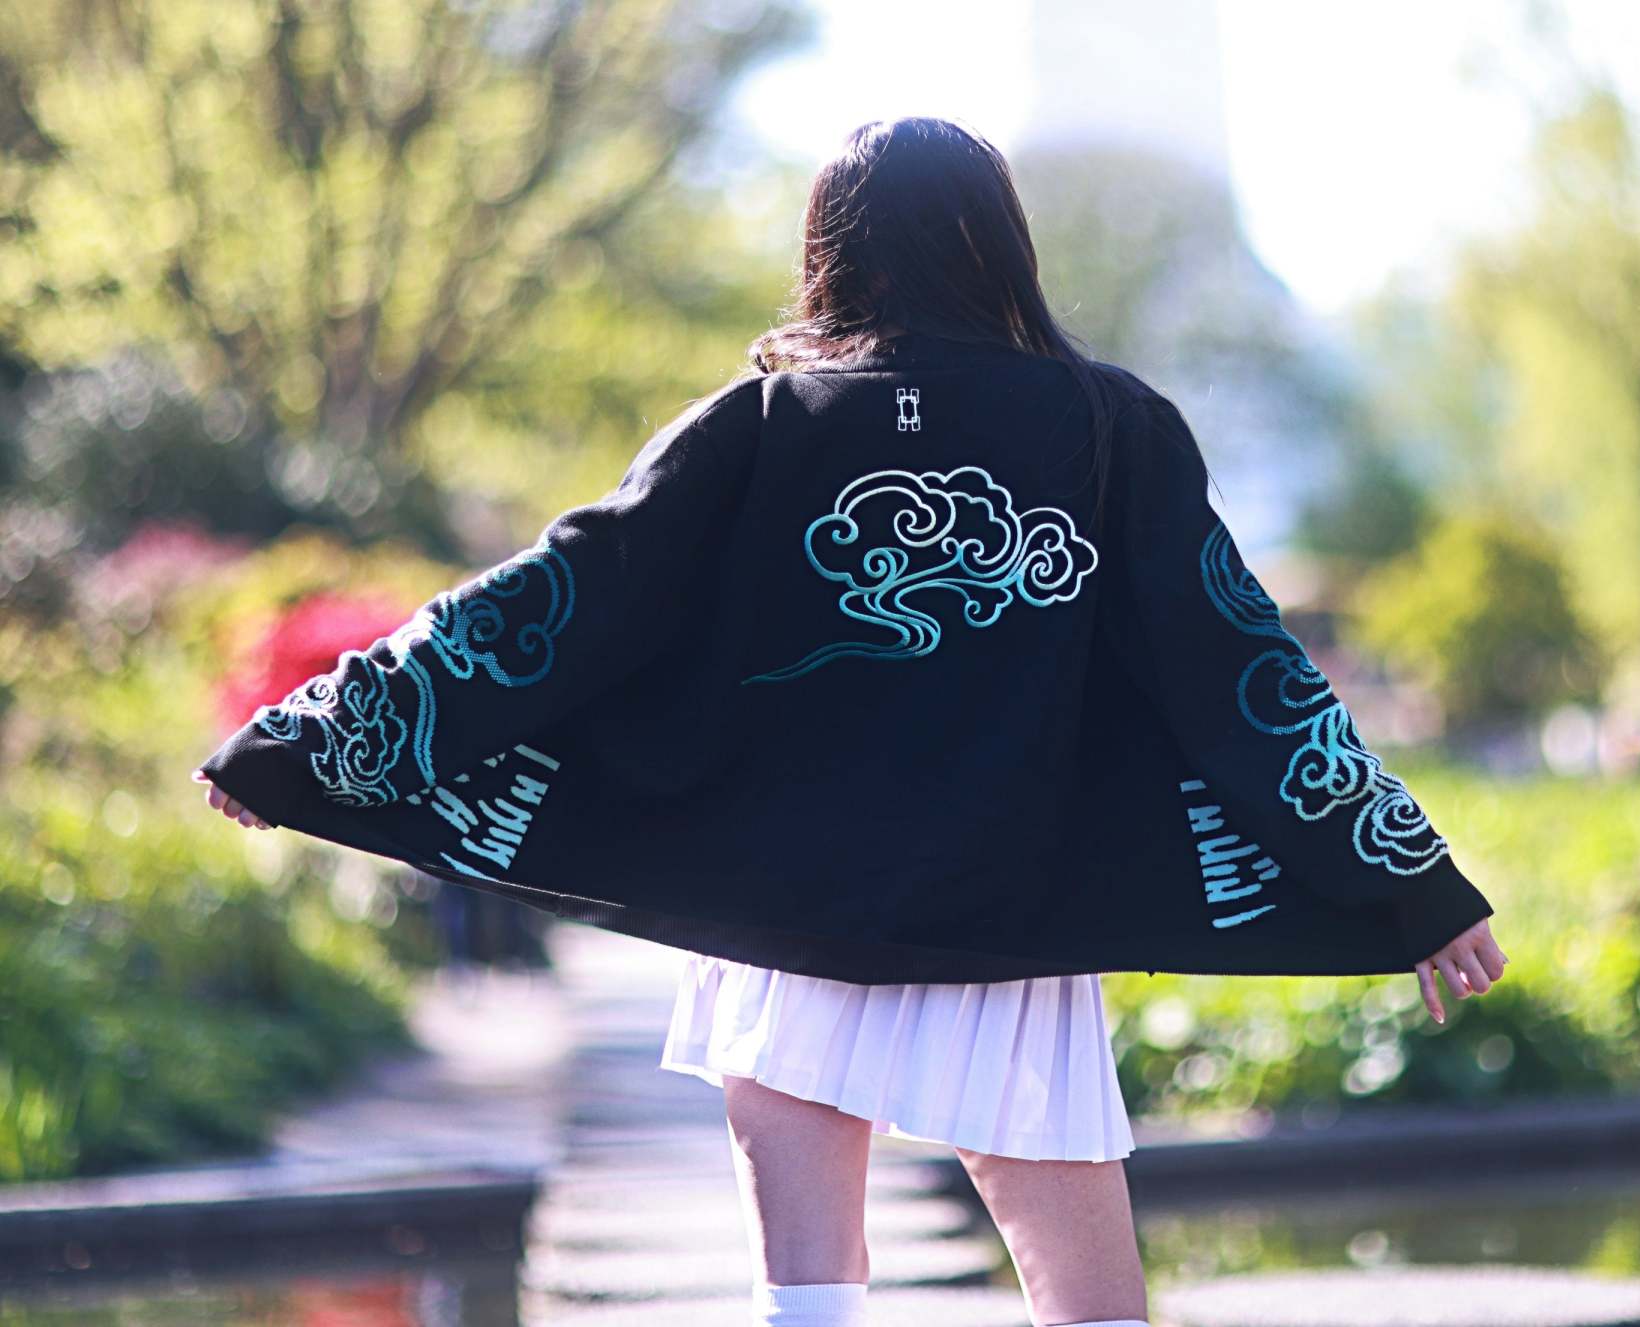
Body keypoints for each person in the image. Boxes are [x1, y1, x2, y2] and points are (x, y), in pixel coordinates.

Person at [198, 115, 1508, 1327]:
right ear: (1000, 245)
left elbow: (558, 601)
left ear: (828, 246)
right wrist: (1407, 880)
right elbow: (1237, 666)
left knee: (808, 1304)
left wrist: (307, 738)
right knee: (1094, 1312)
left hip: (783, 916)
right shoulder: (1110, 429)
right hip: (1011, 916)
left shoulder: (755, 427)